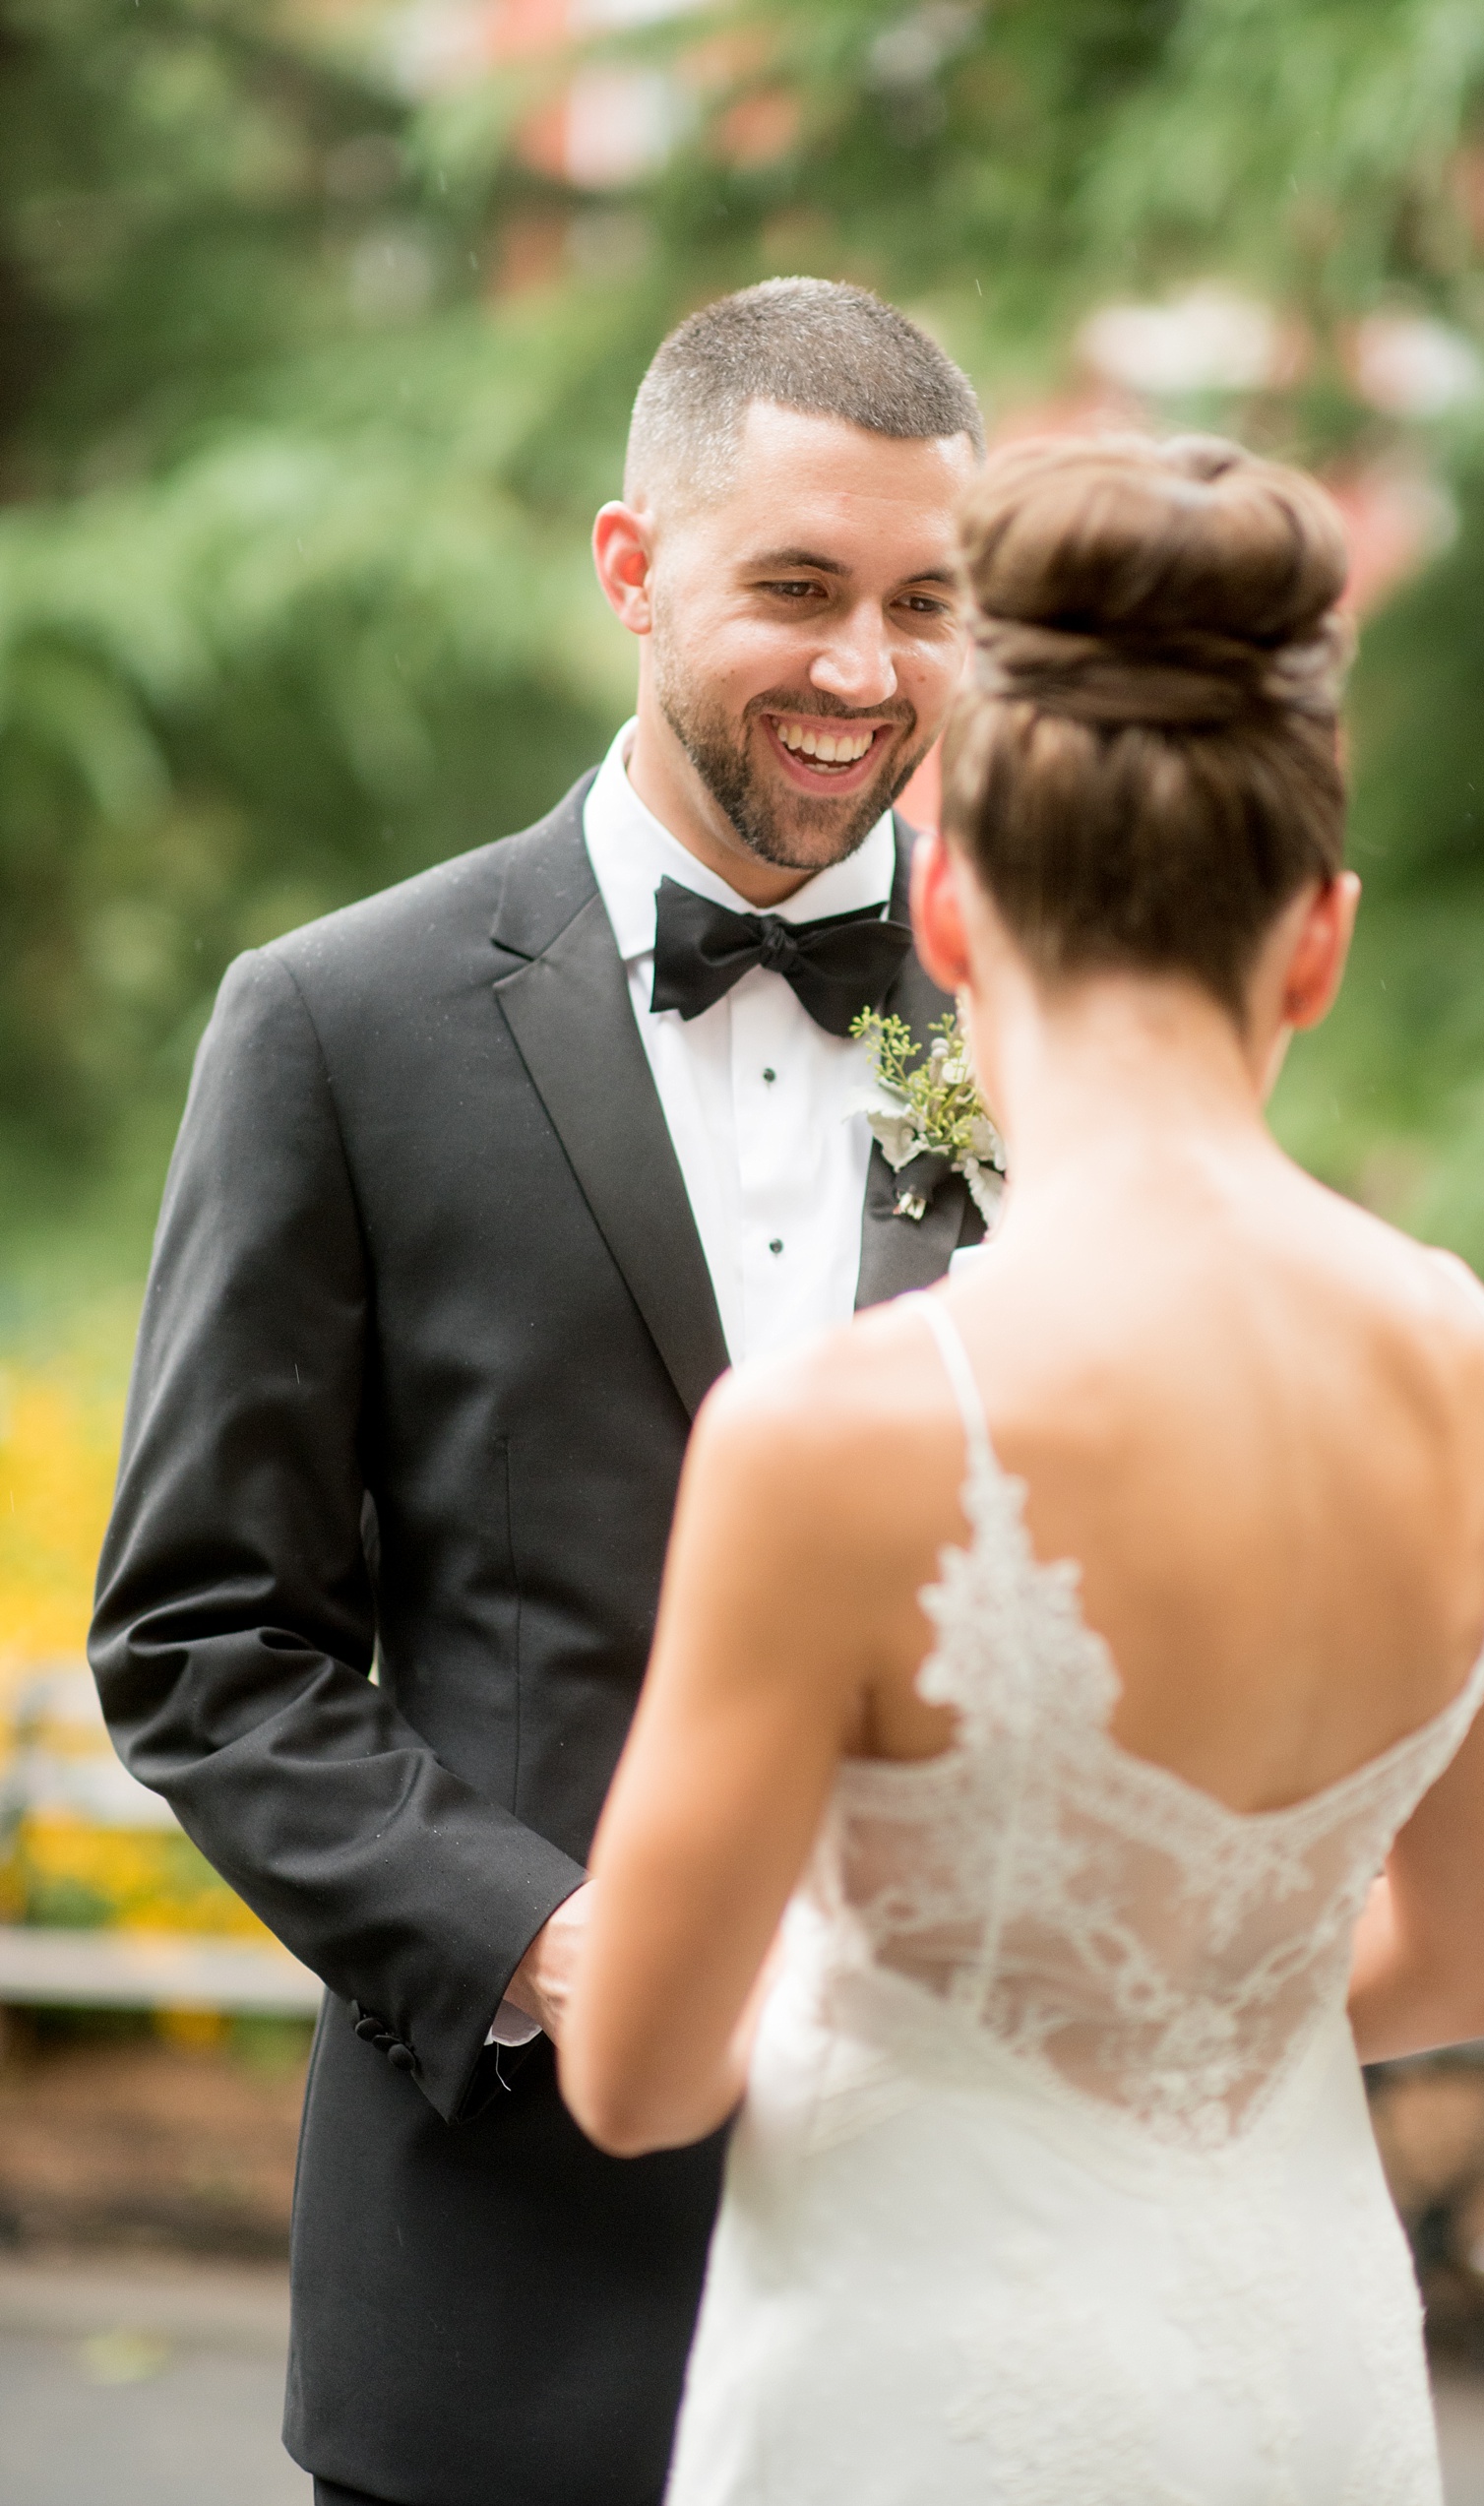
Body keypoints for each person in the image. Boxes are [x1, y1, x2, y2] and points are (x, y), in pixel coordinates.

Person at [558, 434, 1484, 2503]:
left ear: (948, 898)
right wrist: (1194, 2022)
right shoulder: (1469, 1365)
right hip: (1304, 2377)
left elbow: (640, 2070)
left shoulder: (839, 1439)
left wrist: (959, 2029)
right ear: (1318, 937)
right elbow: (1481, 1954)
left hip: (913, 2400)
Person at [88, 279, 988, 2506]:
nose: (863, 675)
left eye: (925, 602)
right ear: (630, 568)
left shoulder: (1061, 1033)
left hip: (970, 2295)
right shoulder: (337, 1023)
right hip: (504, 2299)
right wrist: (559, 1948)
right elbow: (205, 1639)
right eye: (794, 587)